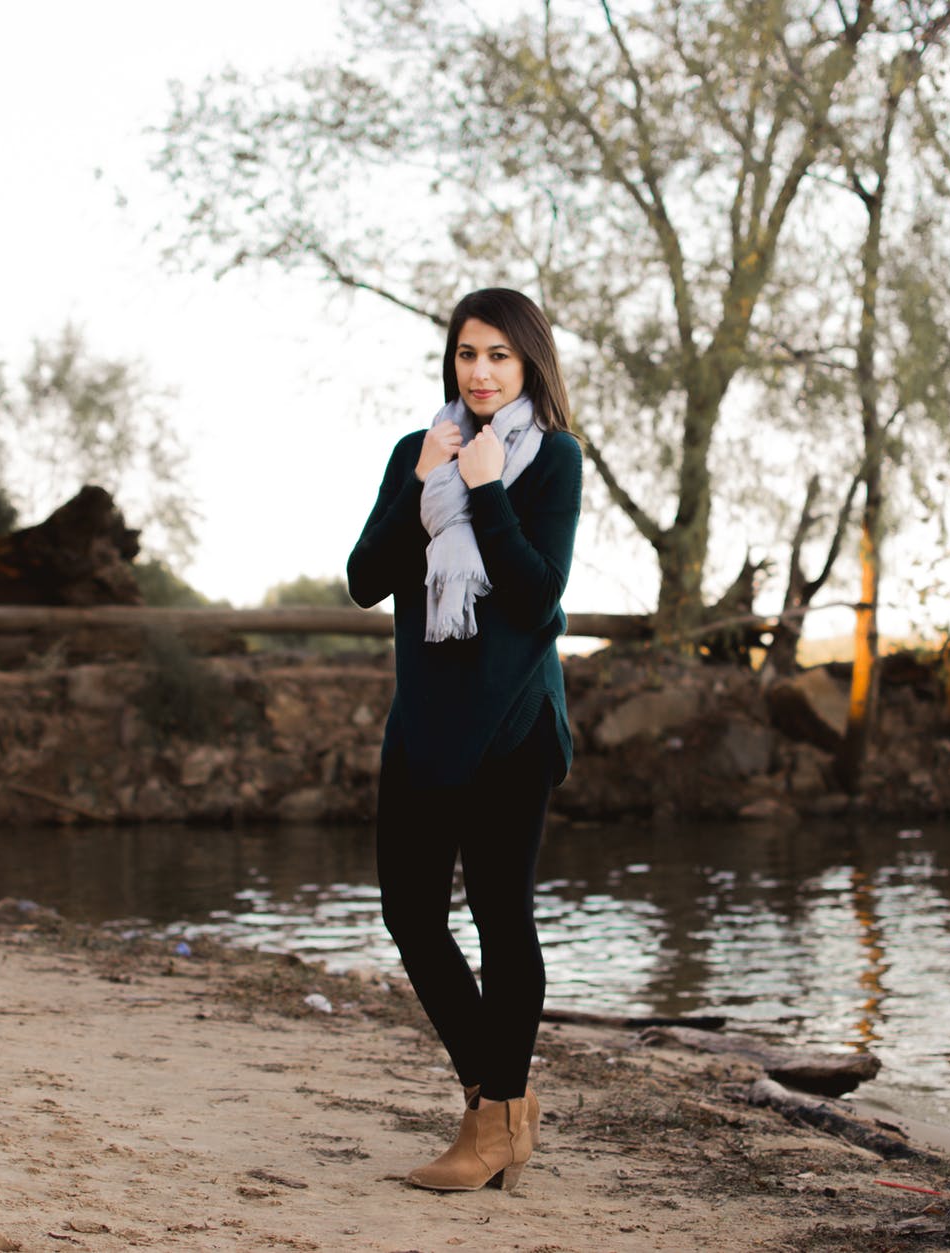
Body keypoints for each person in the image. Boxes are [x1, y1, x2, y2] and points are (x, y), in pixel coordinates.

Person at [345, 287, 582, 1193]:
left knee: (501, 916)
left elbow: (536, 599)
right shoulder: (418, 452)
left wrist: (485, 491)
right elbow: (367, 580)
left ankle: (490, 1127)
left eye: (499, 357)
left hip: (514, 721)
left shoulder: (552, 460)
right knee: (410, 911)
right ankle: (501, 1097)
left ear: (528, 366)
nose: (479, 372)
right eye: (467, 354)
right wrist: (423, 485)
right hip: (428, 721)